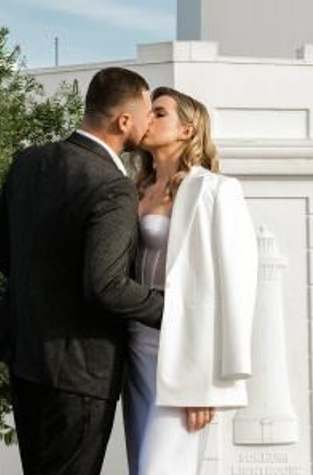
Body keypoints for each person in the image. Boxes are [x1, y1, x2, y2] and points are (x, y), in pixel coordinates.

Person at [0, 67, 164, 475]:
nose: (151, 121)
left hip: (26, 360)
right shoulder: (113, 187)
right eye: (148, 112)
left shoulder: (30, 161)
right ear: (124, 121)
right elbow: (107, 286)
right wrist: (175, 312)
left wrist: (44, 284)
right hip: (81, 373)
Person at [123, 87, 258, 475]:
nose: (147, 120)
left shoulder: (217, 191)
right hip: (134, 343)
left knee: (158, 469)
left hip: (183, 350)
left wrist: (209, 382)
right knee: (141, 467)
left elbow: (237, 286)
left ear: (187, 130)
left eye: (159, 113)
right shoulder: (133, 191)